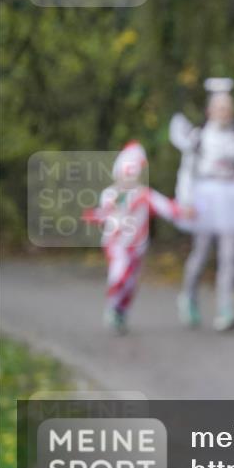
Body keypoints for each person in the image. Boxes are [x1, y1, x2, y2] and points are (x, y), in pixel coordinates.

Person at [169, 77, 234, 332]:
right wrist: (185, 200)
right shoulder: (199, 138)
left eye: (227, 108)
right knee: (200, 253)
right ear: (210, 110)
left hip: (232, 197)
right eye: (219, 108)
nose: (224, 113)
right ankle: (188, 295)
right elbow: (187, 170)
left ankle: (225, 307)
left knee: (229, 256)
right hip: (205, 197)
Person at [83, 141, 192, 333]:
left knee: (131, 282)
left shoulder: (145, 195)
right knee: (120, 274)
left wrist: (183, 211)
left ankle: (120, 312)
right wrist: (96, 216)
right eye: (125, 174)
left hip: (137, 247)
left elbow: (166, 207)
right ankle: (112, 308)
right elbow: (108, 212)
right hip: (116, 245)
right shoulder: (110, 194)